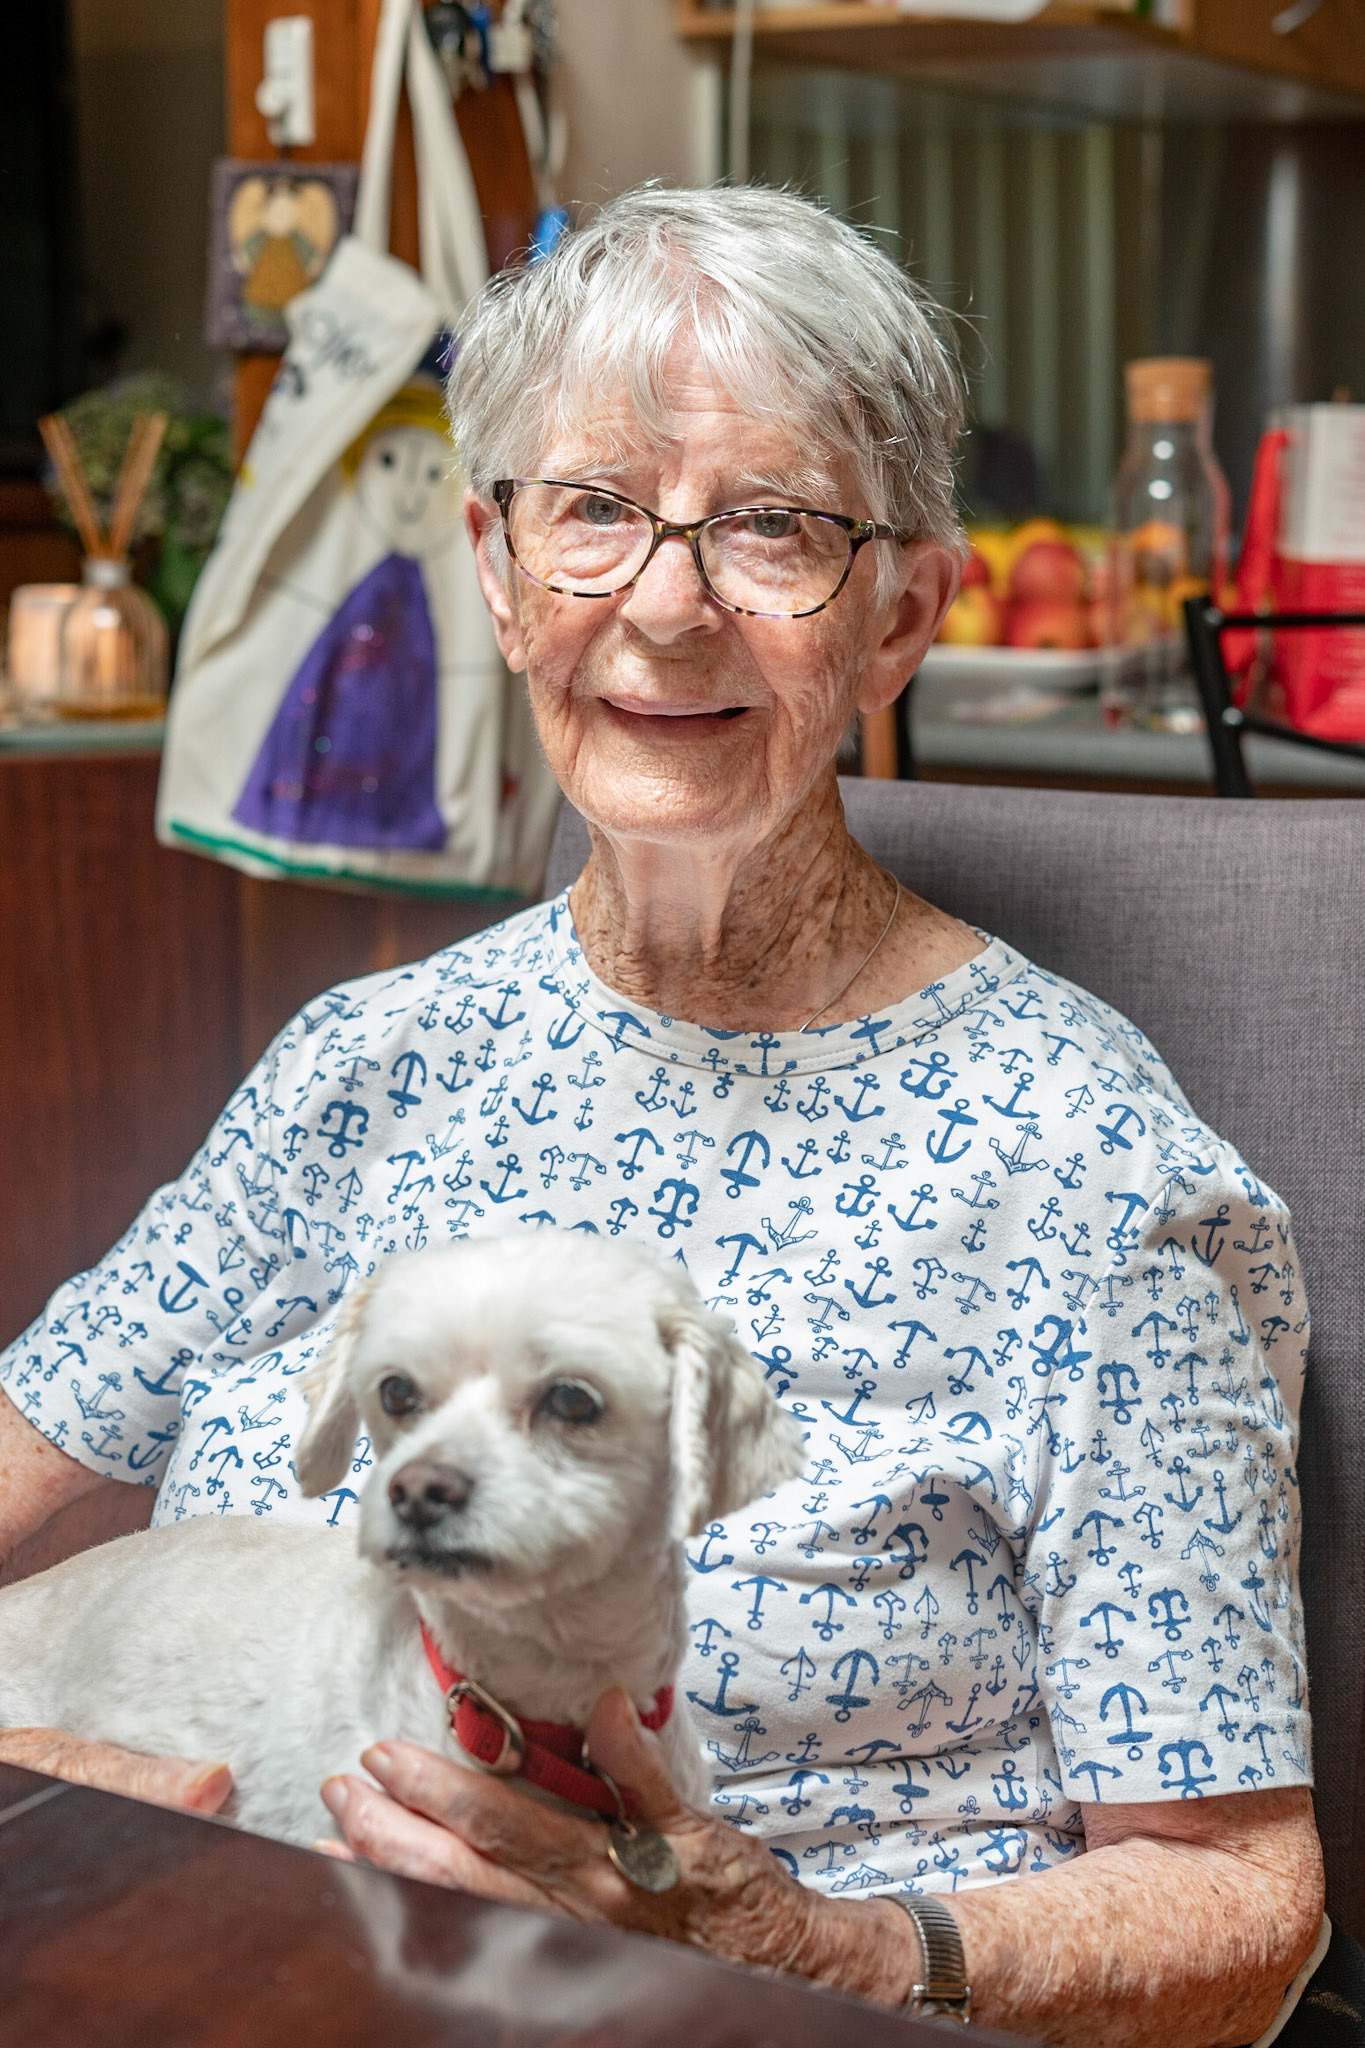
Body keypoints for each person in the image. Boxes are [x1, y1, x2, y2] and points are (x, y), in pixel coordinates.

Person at [0, 187, 1335, 2046]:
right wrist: (57, 1771)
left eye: (772, 526)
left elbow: (1242, 1908)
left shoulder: (1085, 1172)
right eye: (595, 511)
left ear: (901, 612)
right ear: (499, 569)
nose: (663, 604)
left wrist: (807, 1948)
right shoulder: (368, 1063)